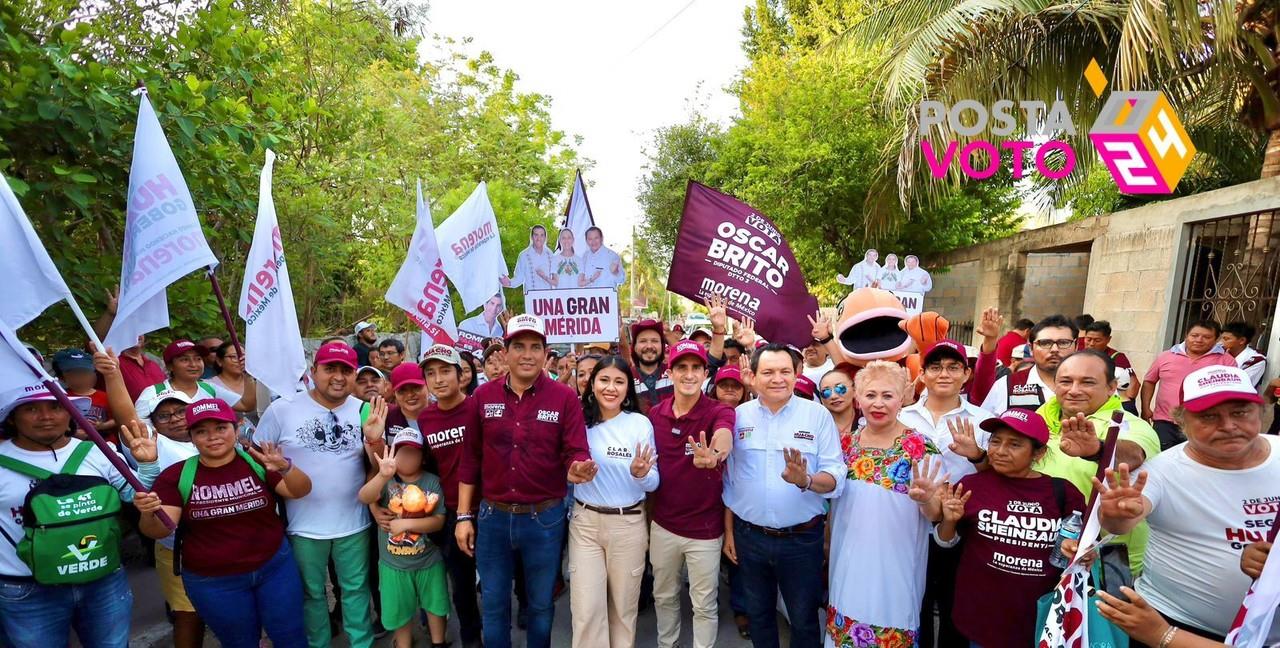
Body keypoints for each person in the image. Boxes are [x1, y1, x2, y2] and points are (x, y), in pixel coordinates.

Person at [1096, 364, 1280, 644]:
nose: (1229, 426)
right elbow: (1123, 520)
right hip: (1176, 625)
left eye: (1240, 412)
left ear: (1261, 412)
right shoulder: (1160, 471)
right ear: (1181, 421)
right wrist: (1114, 514)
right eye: (1209, 417)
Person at [454, 314, 595, 648]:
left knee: (541, 605)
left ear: (546, 354)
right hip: (493, 517)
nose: (527, 354)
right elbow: (470, 459)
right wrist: (462, 516)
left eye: (535, 347)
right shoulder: (482, 397)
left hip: (544, 519)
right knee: (493, 603)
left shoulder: (564, 398)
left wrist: (577, 466)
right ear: (505, 352)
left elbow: (575, 449)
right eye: (519, 346)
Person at [137, 399, 310, 648]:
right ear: (192, 437)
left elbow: (299, 490)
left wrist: (285, 467)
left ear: (236, 430)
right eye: (201, 431)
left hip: (274, 569)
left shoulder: (257, 462)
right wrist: (147, 513)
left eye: (221, 428)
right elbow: (161, 528)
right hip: (214, 581)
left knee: (291, 637)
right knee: (239, 643)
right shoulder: (176, 475)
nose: (213, 437)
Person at [0, 385, 159, 648]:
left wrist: (148, 465)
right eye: (31, 409)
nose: (46, 416)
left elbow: (136, 496)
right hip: (26, 589)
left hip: (103, 581)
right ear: (12, 417)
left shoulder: (97, 451)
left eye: (56, 406)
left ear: (70, 414)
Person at [254, 342, 376, 648]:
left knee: (356, 590)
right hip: (302, 526)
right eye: (330, 369)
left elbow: (378, 465)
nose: (338, 377)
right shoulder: (282, 409)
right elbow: (257, 456)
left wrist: (376, 439)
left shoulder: (364, 410)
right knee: (311, 594)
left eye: (346, 370)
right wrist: (279, 482)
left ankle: (361, 643)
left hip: (354, 522)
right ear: (313, 372)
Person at [931, 409, 1086, 648]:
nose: (1001, 451)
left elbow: (1082, 551)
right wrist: (949, 520)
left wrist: (1079, 551)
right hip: (982, 620)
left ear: (1039, 452)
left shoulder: (1063, 492)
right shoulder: (971, 486)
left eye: (1014, 444)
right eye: (995, 441)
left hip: (1042, 621)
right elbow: (945, 542)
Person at [723, 343, 844, 648]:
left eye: (784, 372)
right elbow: (730, 483)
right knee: (759, 615)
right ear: (753, 376)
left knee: (803, 619)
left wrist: (806, 480)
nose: (777, 379)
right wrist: (729, 533)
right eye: (768, 372)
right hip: (750, 538)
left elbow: (836, 477)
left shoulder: (817, 417)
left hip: (802, 541)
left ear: (796, 373)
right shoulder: (738, 417)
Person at [825, 360, 942, 648]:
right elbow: (836, 505)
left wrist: (928, 499)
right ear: (858, 398)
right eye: (871, 395)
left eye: (888, 395)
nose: (878, 403)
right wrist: (827, 544)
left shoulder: (921, 446)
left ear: (903, 398)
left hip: (896, 565)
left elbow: (937, 512)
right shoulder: (845, 445)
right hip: (846, 560)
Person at [895, 340, 994, 648]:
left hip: (961, 523)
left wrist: (976, 455)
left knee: (956, 605)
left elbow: (995, 475)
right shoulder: (902, 417)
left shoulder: (982, 420)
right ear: (922, 374)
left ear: (966, 374)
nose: (944, 374)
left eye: (953, 367)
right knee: (914, 601)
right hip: (907, 522)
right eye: (935, 367)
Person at [1035, 349, 1161, 573]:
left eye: (1087, 382)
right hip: (1043, 555)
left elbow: (1133, 454)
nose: (1074, 390)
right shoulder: (1037, 419)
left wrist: (1097, 450)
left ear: (1112, 387)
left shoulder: (1128, 424)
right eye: (1065, 381)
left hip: (1106, 565)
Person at [646, 340, 735, 648]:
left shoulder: (718, 410)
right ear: (669, 372)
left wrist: (717, 456)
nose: (689, 374)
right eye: (681, 367)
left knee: (704, 604)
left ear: (705, 373)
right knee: (665, 596)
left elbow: (724, 433)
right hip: (664, 526)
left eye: (696, 367)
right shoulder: (654, 416)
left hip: (705, 531)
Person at [569, 355, 658, 648]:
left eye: (619, 381)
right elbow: (559, 465)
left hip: (628, 524)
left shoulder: (639, 424)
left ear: (628, 388)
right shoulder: (577, 421)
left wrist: (641, 475)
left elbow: (653, 480)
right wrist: (571, 473)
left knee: (623, 609)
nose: (611, 388)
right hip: (585, 525)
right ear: (591, 384)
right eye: (604, 380)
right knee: (586, 610)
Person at [416, 345, 483, 647]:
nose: (438, 379)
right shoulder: (425, 419)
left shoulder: (478, 407)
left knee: (495, 580)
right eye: (431, 373)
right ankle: (471, 637)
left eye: (445, 371)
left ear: (461, 375)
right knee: (462, 583)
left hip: (489, 507)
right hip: (451, 514)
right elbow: (428, 466)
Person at [358, 428, 449, 648]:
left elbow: (438, 521)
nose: (407, 458)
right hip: (393, 565)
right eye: (402, 452)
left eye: (413, 453)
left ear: (423, 456)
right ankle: (404, 644)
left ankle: (438, 642)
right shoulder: (387, 482)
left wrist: (406, 523)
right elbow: (364, 496)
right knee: (399, 611)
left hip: (428, 560)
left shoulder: (432, 482)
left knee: (436, 606)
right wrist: (382, 475)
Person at [1142, 319, 1236, 450]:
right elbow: (1149, 381)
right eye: (1194, 335)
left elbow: (1231, 393)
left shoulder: (1226, 361)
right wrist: (1145, 408)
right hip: (1165, 421)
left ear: (1216, 339)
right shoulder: (1166, 356)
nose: (1199, 340)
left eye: (1206, 337)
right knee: (1161, 459)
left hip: (1203, 424)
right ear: (1186, 335)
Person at [974, 313, 1078, 413]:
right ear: (1031, 348)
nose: (1054, 349)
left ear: (1076, 346)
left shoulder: (1090, 386)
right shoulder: (1006, 386)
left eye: (1064, 343)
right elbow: (983, 427)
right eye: (1045, 343)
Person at [134, 339, 256, 421]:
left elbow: (246, 405)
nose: (194, 364)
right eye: (185, 360)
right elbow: (139, 428)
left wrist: (247, 374)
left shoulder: (209, 388)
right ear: (170, 366)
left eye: (198, 359)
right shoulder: (153, 393)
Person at [52, 348, 117, 446]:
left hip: (106, 445)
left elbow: (117, 420)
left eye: (86, 372)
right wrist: (72, 432)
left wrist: (102, 426)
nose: (82, 377)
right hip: (73, 447)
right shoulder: (60, 398)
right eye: (75, 374)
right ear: (62, 377)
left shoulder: (106, 396)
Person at [1082, 321, 1141, 410]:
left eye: (1097, 340)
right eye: (1088, 339)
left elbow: (1134, 384)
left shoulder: (1117, 357)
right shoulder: (1078, 357)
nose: (1091, 344)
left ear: (1108, 339)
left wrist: (1126, 406)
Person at [629, 319, 673, 412]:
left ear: (662, 346)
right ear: (635, 347)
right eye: (643, 341)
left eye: (654, 341)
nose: (649, 346)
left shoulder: (674, 374)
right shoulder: (626, 378)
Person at [502, 224, 556, 291]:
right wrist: (509, 283)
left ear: (545, 237)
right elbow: (519, 278)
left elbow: (556, 279)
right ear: (531, 237)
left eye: (542, 235)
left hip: (549, 297)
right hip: (531, 297)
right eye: (536, 235)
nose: (539, 238)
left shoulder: (550, 254)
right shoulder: (524, 255)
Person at [1221, 321, 1266, 388]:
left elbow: (1240, 384)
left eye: (1226, 339)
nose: (1222, 342)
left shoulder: (1256, 360)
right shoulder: (1219, 353)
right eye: (1222, 338)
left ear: (1242, 340)